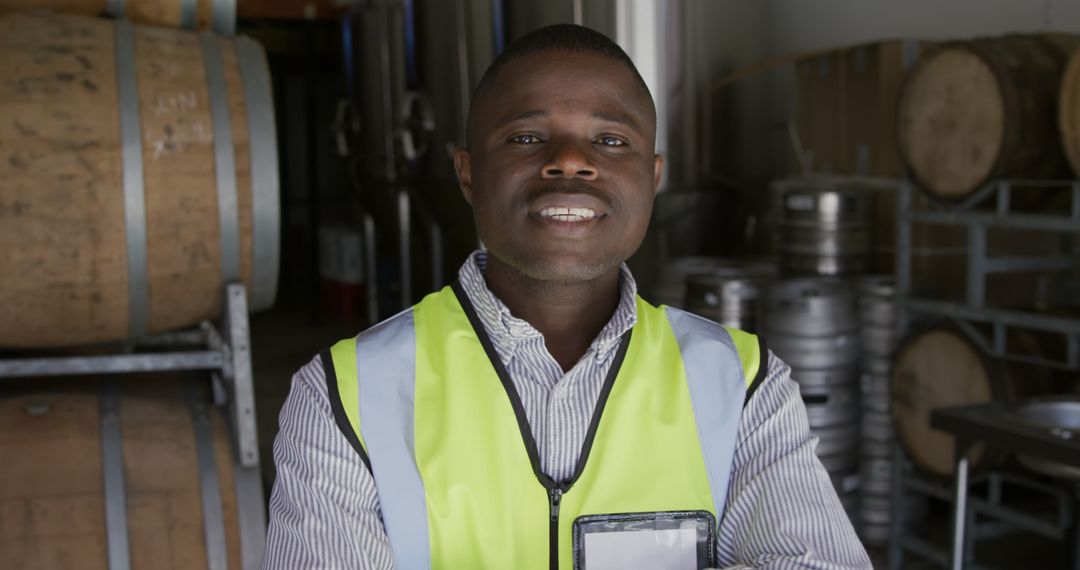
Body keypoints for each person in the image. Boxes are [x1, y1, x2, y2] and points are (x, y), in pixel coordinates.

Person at [264, 24, 872, 570]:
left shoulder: (743, 386)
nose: (571, 162)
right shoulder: (342, 397)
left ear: (652, 178)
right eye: (526, 138)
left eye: (610, 141)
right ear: (468, 173)